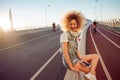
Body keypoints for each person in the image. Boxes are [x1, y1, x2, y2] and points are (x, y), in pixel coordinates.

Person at [60, 10, 99, 80]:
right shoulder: (65, 35)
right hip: (70, 60)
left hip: (76, 57)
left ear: (77, 24)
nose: (73, 26)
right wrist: (71, 66)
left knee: (96, 57)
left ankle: (91, 74)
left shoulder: (76, 34)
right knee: (89, 70)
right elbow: (65, 53)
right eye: (71, 24)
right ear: (67, 24)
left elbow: (75, 49)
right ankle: (91, 74)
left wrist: (81, 57)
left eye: (74, 24)